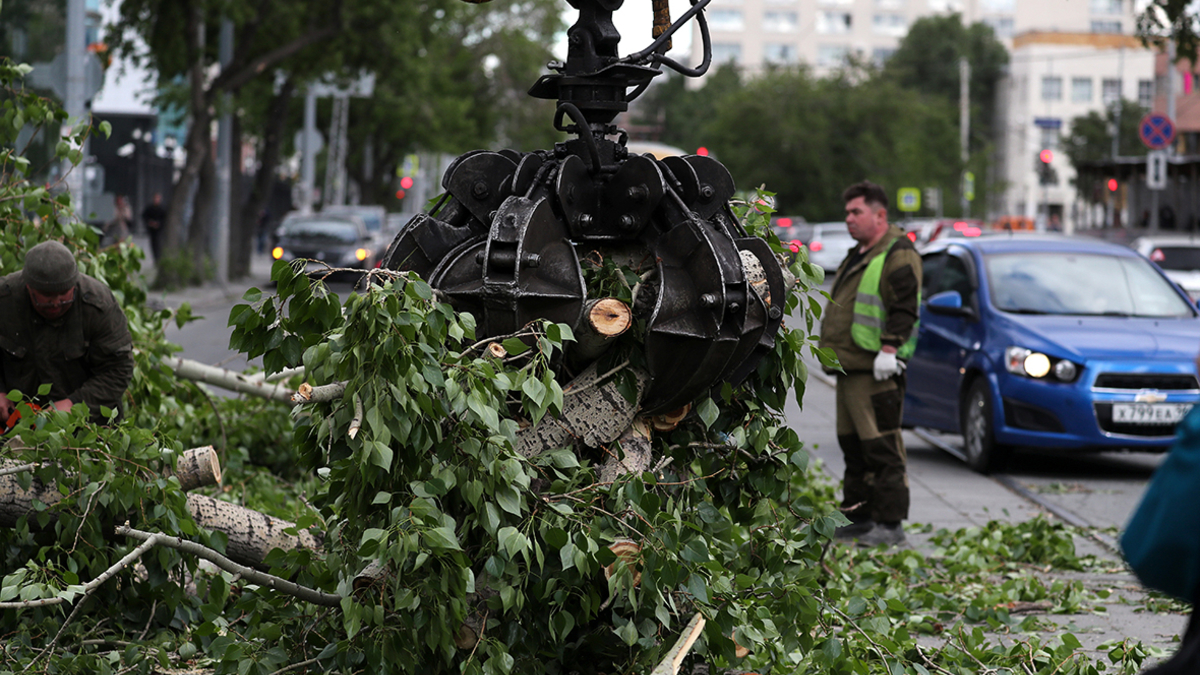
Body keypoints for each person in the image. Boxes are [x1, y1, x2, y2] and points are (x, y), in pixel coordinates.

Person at [818, 181, 922, 548]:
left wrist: (890, 349)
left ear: (880, 215)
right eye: (847, 212)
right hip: (850, 368)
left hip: (876, 369)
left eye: (856, 212)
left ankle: (890, 525)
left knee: (882, 448)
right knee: (853, 447)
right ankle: (857, 517)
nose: (848, 219)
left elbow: (906, 306)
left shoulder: (898, 253)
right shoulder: (861, 252)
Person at [0, 241, 134, 425]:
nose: (56, 302)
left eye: (64, 293)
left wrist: (74, 404)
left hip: (88, 426)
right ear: (29, 287)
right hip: (14, 423)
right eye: (46, 295)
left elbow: (118, 370)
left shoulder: (98, 306)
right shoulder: (5, 301)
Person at [141, 192, 167, 262]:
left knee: (160, 245)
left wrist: (159, 224)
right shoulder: (150, 208)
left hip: (160, 231)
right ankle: (156, 259)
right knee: (154, 246)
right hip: (152, 231)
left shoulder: (162, 209)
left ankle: (160, 259)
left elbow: (165, 219)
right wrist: (150, 223)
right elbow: (144, 216)